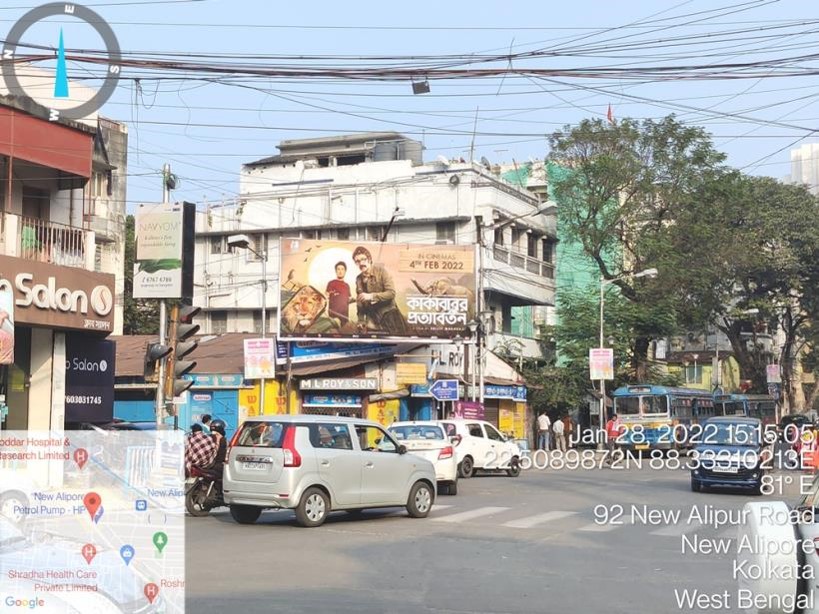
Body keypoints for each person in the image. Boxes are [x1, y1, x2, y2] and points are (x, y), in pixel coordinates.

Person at [353, 246, 407, 334]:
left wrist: (371, 296)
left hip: (390, 316)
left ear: (369, 259)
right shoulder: (358, 279)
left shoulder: (382, 272)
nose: (361, 263)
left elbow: (391, 293)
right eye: (357, 261)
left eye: (363, 259)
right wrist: (361, 320)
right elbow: (360, 303)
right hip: (373, 320)